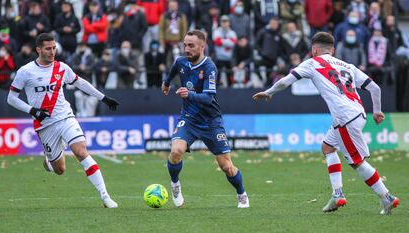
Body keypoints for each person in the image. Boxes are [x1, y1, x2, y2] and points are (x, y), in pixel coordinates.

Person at [252, 32, 400, 215]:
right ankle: (337, 194)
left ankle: (387, 198)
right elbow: (374, 88)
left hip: (344, 117)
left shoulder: (312, 63)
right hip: (357, 113)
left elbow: (285, 81)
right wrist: (377, 111)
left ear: (314, 50)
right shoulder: (348, 65)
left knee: (357, 163)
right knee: (328, 147)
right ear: (333, 50)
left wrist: (269, 92)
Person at [6, 33, 120, 208]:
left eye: (54, 48)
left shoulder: (62, 68)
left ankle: (105, 196)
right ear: (38, 49)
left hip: (65, 116)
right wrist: (32, 110)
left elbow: (81, 83)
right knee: (60, 170)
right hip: (45, 125)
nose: (52, 52)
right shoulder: (25, 71)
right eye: (48, 49)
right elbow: (11, 98)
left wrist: (103, 98)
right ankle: (49, 161)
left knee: (81, 152)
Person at [161, 30, 249, 208]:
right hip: (189, 118)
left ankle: (242, 194)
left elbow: (208, 98)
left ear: (202, 46)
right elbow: (172, 72)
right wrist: (167, 83)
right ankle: (175, 184)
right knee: (176, 150)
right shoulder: (180, 61)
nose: (187, 49)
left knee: (226, 166)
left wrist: (189, 94)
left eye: (191, 45)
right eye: (185, 45)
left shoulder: (210, 67)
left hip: (211, 121)